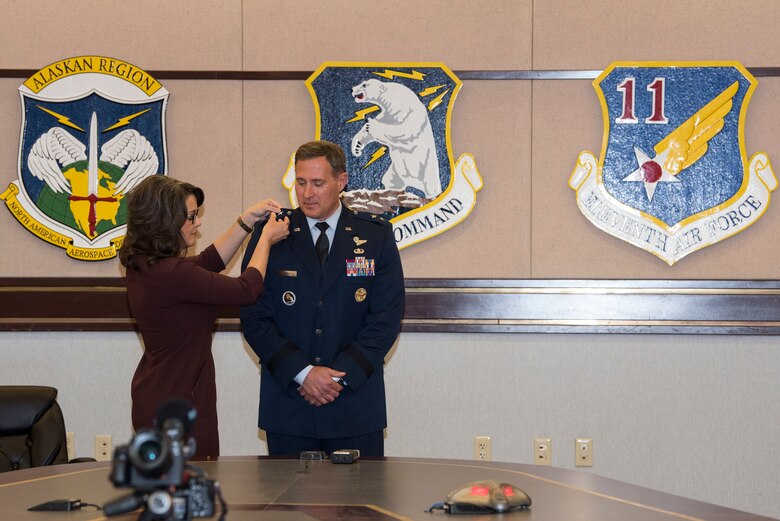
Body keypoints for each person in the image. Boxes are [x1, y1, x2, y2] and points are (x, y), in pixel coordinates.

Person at [240, 140, 405, 457]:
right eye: (300, 182)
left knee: (359, 506)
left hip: (354, 406)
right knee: (287, 505)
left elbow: (385, 320)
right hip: (289, 404)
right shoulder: (272, 235)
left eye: (317, 183)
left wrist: (335, 379)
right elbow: (255, 317)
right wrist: (303, 373)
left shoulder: (375, 236)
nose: (306, 193)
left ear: (341, 181)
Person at [118, 175, 290, 460]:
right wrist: (267, 240)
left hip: (162, 395)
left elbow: (210, 261)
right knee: (188, 493)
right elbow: (246, 290)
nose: (197, 223)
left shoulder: (146, 265)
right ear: (164, 220)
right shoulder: (172, 274)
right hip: (178, 404)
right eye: (190, 217)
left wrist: (246, 222)